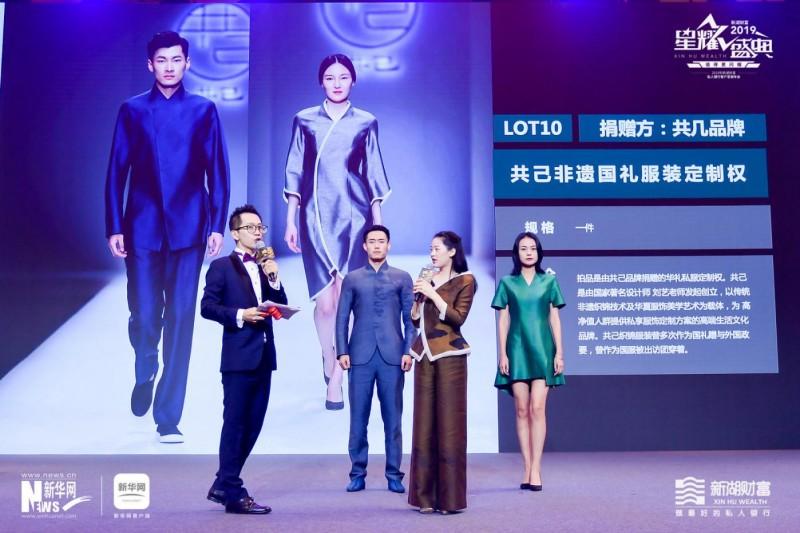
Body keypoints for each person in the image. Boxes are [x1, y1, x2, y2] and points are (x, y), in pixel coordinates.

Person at [104, 31, 230, 443]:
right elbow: (116, 171)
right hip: (141, 226)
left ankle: (169, 415)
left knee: (180, 317)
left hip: (189, 228)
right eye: (162, 60)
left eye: (177, 59)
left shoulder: (203, 110)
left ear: (188, 63)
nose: (170, 66)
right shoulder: (133, 110)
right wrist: (114, 225)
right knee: (143, 313)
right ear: (150, 65)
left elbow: (217, 170)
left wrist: (216, 225)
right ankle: (145, 366)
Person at [284, 54, 391, 409]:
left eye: (343, 77)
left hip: (355, 216)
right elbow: (295, 170)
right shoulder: (304, 119)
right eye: (330, 77)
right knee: (325, 302)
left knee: (347, 298)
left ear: (353, 81)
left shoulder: (366, 121)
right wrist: (290, 219)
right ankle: (328, 356)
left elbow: (373, 172)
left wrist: (377, 226)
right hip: (314, 215)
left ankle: (336, 377)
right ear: (321, 82)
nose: (337, 83)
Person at [200, 205, 287, 515]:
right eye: (251, 228)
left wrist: (273, 278)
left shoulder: (265, 266)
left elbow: (280, 304)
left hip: (264, 356)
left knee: (254, 424)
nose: (258, 232)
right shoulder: (221, 266)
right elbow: (207, 307)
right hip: (238, 358)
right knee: (235, 424)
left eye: (260, 227)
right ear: (235, 234)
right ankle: (233, 491)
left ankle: (223, 484)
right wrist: (240, 314)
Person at [335, 225, 414, 493]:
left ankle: (394, 474)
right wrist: (342, 351)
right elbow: (342, 317)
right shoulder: (352, 278)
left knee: (393, 420)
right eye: (372, 241)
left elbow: (410, 320)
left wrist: (408, 350)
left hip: (393, 357)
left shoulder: (402, 277)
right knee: (358, 420)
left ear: (389, 245)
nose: (377, 245)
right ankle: (357, 473)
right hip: (359, 357)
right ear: (364, 246)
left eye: (382, 241)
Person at [408, 231, 476, 515]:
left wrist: (433, 293)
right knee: (423, 427)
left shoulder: (465, 280)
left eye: (437, 248)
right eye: (431, 248)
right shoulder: (426, 278)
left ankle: (449, 500)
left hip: (450, 356)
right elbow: (415, 320)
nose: (432, 253)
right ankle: (424, 498)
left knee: (449, 427)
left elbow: (458, 318)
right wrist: (417, 300)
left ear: (452, 251)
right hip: (424, 355)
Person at [492, 232, 565, 491]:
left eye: (533, 248)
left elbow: (555, 318)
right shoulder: (507, 283)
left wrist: (559, 353)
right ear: (516, 253)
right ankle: (526, 467)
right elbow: (503, 320)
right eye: (524, 248)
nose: (529, 252)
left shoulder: (549, 281)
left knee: (537, 408)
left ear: (538, 252)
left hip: (543, 350)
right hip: (517, 351)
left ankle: (536, 469)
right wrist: (502, 353)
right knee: (521, 410)